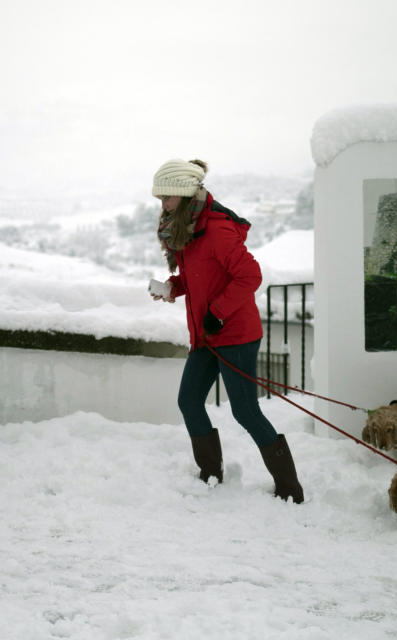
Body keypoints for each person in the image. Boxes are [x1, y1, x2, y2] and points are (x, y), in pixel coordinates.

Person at [149, 158, 303, 503]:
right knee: (189, 401)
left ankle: (290, 489)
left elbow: (251, 276)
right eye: (160, 199)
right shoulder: (188, 229)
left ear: (184, 194)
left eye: (166, 198)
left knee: (245, 411)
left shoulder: (215, 229)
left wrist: (217, 313)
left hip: (235, 335)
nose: (162, 206)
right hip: (206, 336)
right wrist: (173, 287)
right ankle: (210, 474)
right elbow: (199, 279)